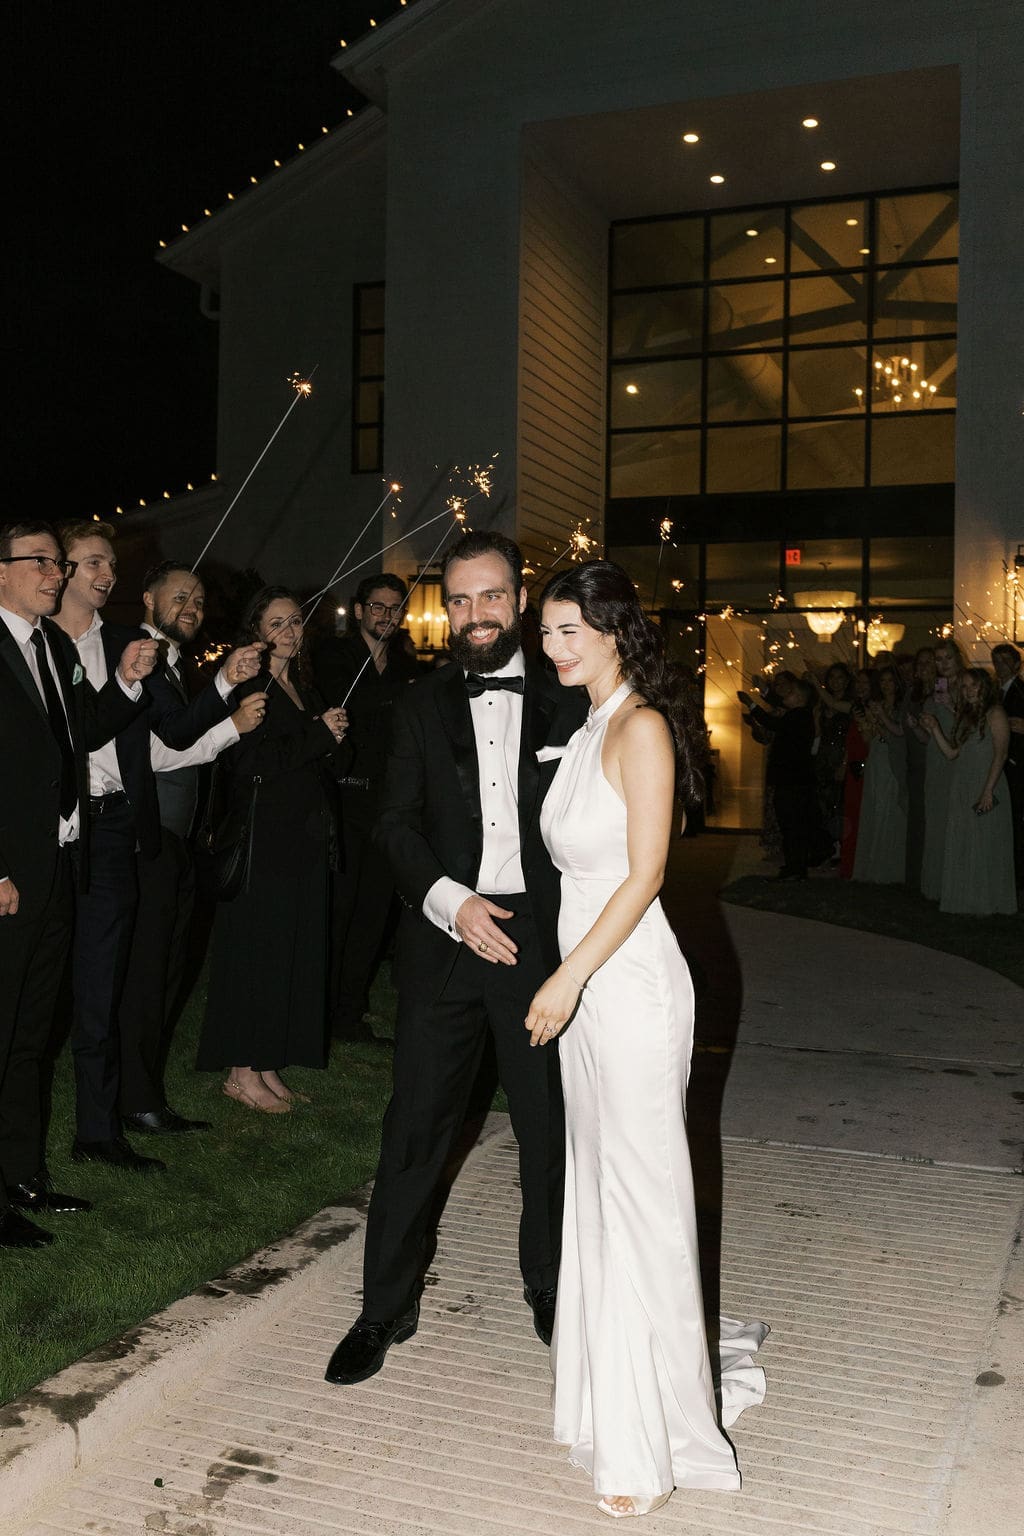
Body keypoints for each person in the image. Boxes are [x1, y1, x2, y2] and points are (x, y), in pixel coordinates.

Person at [525, 560, 766, 1517]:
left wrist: (567, 976)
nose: (554, 647)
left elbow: (646, 874)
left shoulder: (643, 728)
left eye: (570, 630)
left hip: (625, 988)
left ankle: (654, 1433)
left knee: (638, 1197)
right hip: (586, 989)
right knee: (602, 1186)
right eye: (546, 633)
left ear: (616, 629)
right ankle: (602, 1399)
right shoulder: (587, 726)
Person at [324, 530, 588, 1387]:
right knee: (414, 1130)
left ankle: (549, 1285)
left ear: (521, 600)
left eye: (492, 596)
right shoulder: (417, 704)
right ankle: (383, 1306)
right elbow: (392, 825)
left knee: (547, 1130)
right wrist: (454, 903)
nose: (476, 614)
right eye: (462, 599)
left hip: (542, 950)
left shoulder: (571, 702)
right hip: (445, 940)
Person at [53, 523, 264, 1170]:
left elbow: (170, 731)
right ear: (59, 569)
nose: (108, 571)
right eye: (94, 561)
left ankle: (99, 1132)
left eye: (111, 562)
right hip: (53, 829)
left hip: (116, 826)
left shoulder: (127, 642)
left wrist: (224, 685)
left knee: (103, 985)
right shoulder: (36, 645)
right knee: (40, 991)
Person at [0, 520, 157, 1247]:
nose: (55, 573)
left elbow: (81, 729)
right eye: (40, 561)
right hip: (10, 875)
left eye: (58, 562)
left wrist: (124, 683)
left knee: (33, 1032)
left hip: (61, 866)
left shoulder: (53, 645)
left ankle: (23, 1177)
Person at [117, 561, 268, 1135]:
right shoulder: (141, 658)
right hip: (146, 839)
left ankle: (143, 1091)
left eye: (200, 601)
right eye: (180, 596)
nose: (191, 607)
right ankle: (135, 1098)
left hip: (177, 842)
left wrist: (228, 720)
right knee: (147, 974)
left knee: (168, 970)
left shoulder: (175, 667)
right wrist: (230, 726)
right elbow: (159, 751)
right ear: (148, 598)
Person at [196, 587, 348, 1112]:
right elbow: (249, 761)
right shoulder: (251, 682)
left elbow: (305, 753)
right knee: (256, 948)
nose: (289, 629)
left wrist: (328, 736)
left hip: (299, 836)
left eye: (296, 620)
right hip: (262, 838)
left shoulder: (301, 682)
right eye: (276, 621)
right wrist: (317, 736)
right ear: (256, 630)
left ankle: (266, 1062)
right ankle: (241, 1070)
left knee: (288, 948)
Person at [312, 573, 417, 1043]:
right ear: (359, 611)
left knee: (373, 912)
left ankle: (349, 1015)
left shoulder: (400, 663)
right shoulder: (337, 656)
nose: (386, 615)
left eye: (395, 608)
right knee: (338, 909)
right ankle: (319, 1011)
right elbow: (353, 707)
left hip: (384, 803)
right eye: (378, 606)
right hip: (344, 796)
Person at [921, 668, 1016, 916]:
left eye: (973, 685)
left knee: (985, 843)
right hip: (962, 784)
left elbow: (1001, 754)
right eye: (964, 687)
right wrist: (934, 729)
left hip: (987, 783)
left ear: (984, 686)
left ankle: (988, 901)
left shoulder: (996, 713)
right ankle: (966, 898)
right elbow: (952, 753)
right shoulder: (967, 717)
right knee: (964, 841)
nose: (968, 691)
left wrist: (987, 790)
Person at [739, 673, 824, 879]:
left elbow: (771, 722)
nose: (788, 693)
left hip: (793, 780)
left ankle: (796, 868)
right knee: (790, 822)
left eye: (793, 692)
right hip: (792, 779)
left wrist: (751, 704)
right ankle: (793, 865)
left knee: (791, 823)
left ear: (801, 698)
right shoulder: (798, 715)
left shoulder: (799, 716)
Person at [852, 666, 907, 885]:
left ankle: (889, 868)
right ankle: (872, 865)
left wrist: (880, 718)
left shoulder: (901, 706)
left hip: (891, 757)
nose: (886, 685)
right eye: (882, 681)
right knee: (875, 807)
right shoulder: (876, 705)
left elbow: (897, 735)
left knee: (890, 807)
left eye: (890, 681)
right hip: (876, 756)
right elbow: (869, 739)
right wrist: (864, 723)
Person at [920, 638, 965, 900]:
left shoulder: (970, 685)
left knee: (955, 820)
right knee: (936, 821)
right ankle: (936, 884)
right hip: (936, 759)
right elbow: (930, 735)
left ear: (957, 658)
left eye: (947, 658)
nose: (943, 664)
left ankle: (957, 883)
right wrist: (920, 726)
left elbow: (974, 721)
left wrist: (948, 704)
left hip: (959, 757)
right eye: (938, 659)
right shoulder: (937, 688)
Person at [902, 647, 937, 892]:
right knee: (916, 822)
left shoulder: (942, 692)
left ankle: (932, 878)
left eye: (928, 662)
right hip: (915, 763)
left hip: (935, 762)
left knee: (932, 820)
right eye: (920, 663)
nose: (923, 667)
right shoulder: (911, 694)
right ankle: (915, 878)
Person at [991, 642, 1024, 889]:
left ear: (1016, 664)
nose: (999, 666)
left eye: (1004, 661)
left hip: (1016, 765)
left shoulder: (1022, 692)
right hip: (995, 763)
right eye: (996, 661)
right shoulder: (992, 692)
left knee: (1014, 819)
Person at [839, 668, 872, 878]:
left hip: (867, 768)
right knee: (851, 816)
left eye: (865, 683)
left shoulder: (872, 709)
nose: (860, 687)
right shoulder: (856, 708)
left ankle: (862, 865)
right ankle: (849, 865)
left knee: (863, 816)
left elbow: (872, 743)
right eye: (857, 683)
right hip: (853, 769)